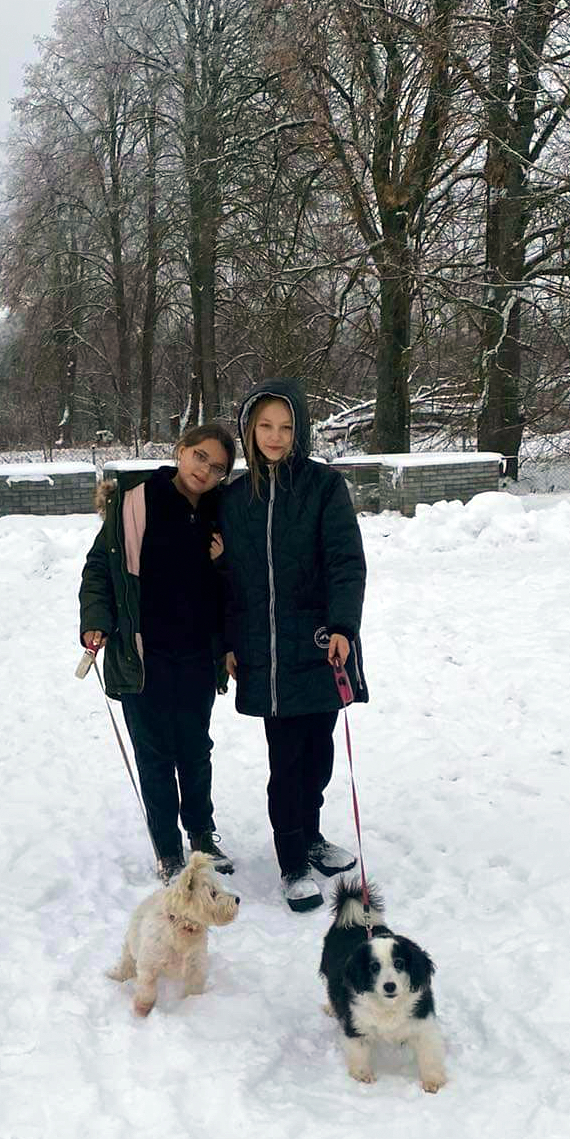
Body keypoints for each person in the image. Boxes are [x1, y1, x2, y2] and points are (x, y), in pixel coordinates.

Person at [217, 379, 368, 912]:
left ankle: (311, 834)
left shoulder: (324, 486)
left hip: (321, 643)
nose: (275, 436)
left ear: (299, 429)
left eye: (285, 426)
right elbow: (223, 580)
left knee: (318, 752)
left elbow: (346, 561)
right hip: (265, 650)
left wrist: (344, 626)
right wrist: (227, 642)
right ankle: (292, 861)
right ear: (249, 430)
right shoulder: (233, 498)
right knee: (286, 760)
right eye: (265, 426)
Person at [79, 423, 237, 885]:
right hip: (141, 654)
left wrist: (223, 561)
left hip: (197, 654)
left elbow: (237, 584)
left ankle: (202, 836)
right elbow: (99, 568)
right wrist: (95, 619)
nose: (205, 471)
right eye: (200, 456)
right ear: (181, 450)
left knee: (195, 750)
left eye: (217, 467)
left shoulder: (222, 511)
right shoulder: (135, 501)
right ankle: (168, 849)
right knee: (154, 755)